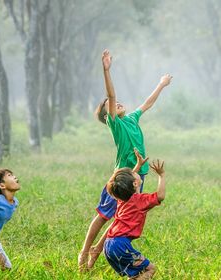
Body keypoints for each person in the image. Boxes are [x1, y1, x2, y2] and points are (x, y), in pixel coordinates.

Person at [78, 49, 172, 271]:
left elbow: (147, 103)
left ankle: (97, 252)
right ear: (107, 114)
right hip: (122, 177)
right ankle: (85, 251)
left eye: (118, 102)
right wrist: (106, 70)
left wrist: (161, 84)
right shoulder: (116, 124)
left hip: (139, 175)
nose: (116, 102)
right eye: (110, 105)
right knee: (103, 216)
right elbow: (110, 95)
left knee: (123, 216)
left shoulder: (131, 118)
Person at [104, 156, 165, 279]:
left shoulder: (121, 198)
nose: (135, 172)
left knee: (135, 274)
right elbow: (160, 196)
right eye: (134, 173)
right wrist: (161, 175)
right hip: (120, 245)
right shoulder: (139, 201)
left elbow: (125, 183)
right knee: (150, 269)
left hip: (108, 244)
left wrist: (138, 166)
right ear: (135, 183)